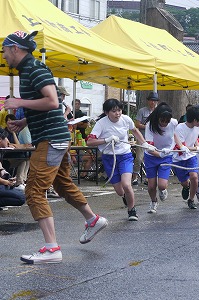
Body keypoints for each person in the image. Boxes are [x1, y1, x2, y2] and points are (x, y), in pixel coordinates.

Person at [2, 30, 108, 264]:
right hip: (54, 136)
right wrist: (24, 120)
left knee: (34, 190)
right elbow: (49, 105)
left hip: (51, 139)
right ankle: (92, 220)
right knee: (62, 184)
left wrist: (18, 102)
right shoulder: (29, 69)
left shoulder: (34, 69)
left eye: (5, 49)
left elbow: (52, 101)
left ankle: (51, 249)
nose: (4, 54)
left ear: (16, 49)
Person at [87, 98, 151, 220]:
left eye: (119, 110)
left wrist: (144, 143)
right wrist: (106, 140)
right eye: (114, 111)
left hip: (125, 155)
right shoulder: (101, 123)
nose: (118, 113)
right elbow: (90, 141)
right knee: (120, 191)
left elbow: (135, 130)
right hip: (109, 158)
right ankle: (125, 196)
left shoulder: (126, 119)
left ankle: (132, 210)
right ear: (107, 112)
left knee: (127, 185)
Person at [143, 102, 180, 213]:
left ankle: (163, 190)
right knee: (151, 185)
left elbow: (175, 135)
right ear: (158, 117)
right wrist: (159, 154)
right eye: (162, 121)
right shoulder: (150, 125)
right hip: (151, 155)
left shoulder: (174, 123)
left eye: (166, 121)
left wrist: (180, 146)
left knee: (162, 185)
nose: (164, 124)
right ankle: (154, 202)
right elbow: (149, 146)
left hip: (167, 155)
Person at [173, 105, 199, 210]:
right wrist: (197, 149)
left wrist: (198, 146)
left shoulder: (197, 127)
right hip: (179, 157)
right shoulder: (180, 128)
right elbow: (182, 146)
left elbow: (194, 139)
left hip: (191, 156)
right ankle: (186, 187)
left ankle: (191, 199)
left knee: (194, 176)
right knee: (184, 182)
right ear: (194, 120)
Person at [132, 92, 158, 185]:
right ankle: (134, 177)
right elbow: (137, 124)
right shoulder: (142, 111)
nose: (153, 102)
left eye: (154, 101)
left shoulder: (158, 111)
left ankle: (149, 178)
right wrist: (147, 126)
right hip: (142, 137)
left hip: (154, 138)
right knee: (139, 158)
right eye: (151, 100)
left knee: (151, 158)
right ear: (148, 101)